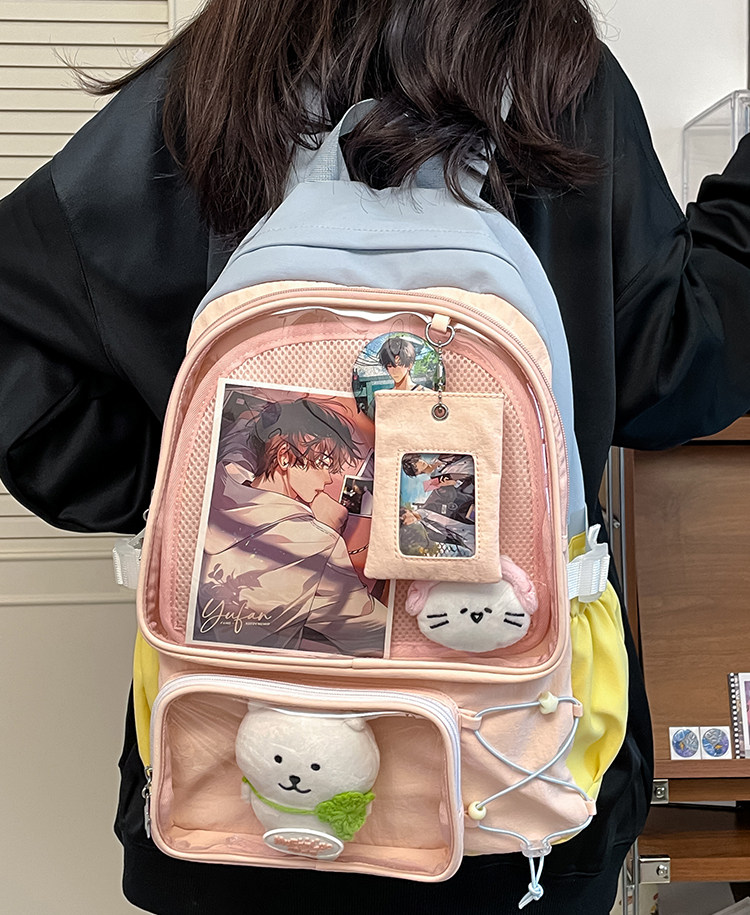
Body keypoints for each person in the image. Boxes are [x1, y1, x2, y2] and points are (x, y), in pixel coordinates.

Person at [1, 1, 750, 912]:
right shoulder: (556, 77)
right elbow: (683, 369)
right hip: (512, 778)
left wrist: (186, 495)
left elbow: (17, 346)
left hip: (234, 776)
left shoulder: (212, 78)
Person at [195, 395, 388, 656]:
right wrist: (324, 530)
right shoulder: (318, 544)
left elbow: (240, 442)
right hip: (263, 672)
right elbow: (378, 637)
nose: (328, 477)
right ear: (285, 457)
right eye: (324, 463)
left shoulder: (223, 476)